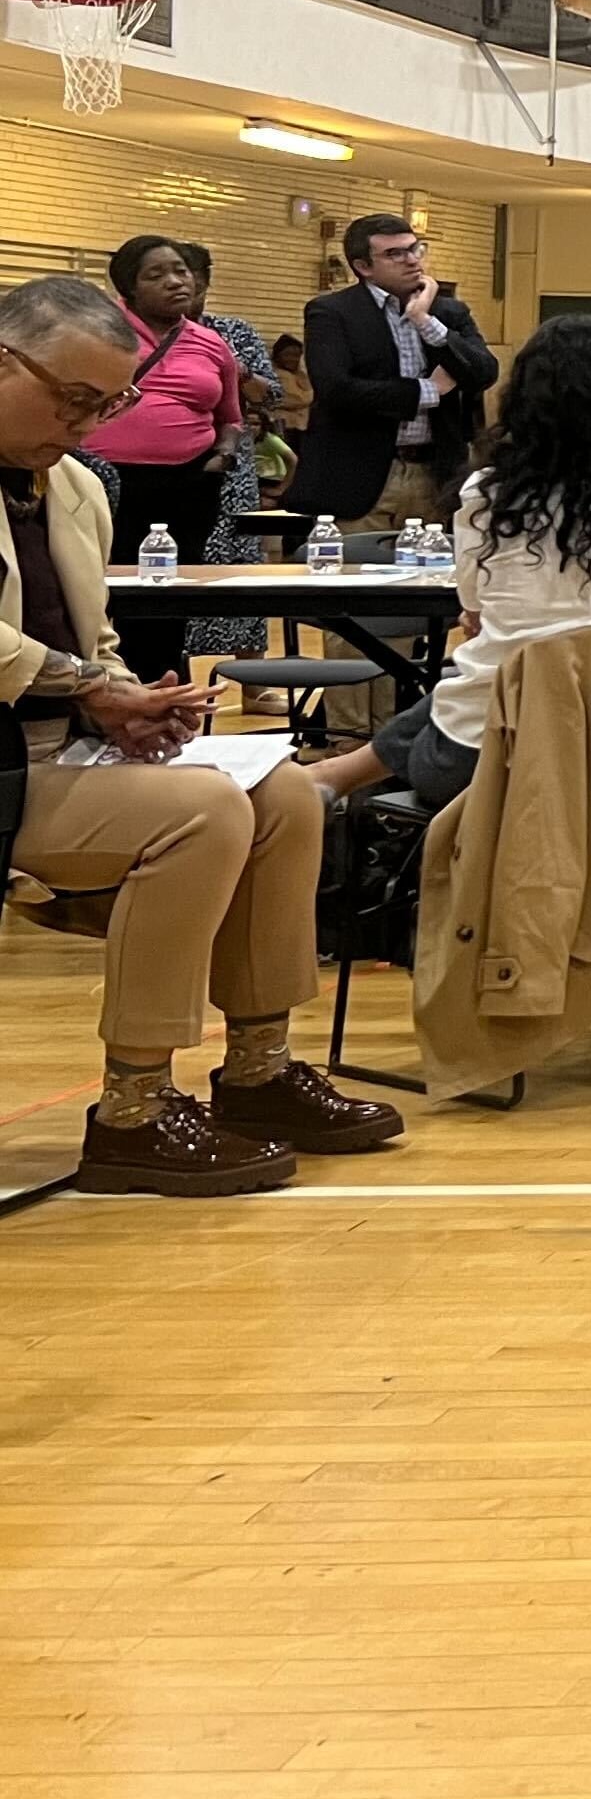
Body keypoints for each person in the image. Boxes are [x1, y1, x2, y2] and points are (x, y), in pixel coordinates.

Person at [0, 275, 388, 1197]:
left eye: (106, 406)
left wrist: (139, 701)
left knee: (285, 790)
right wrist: (92, 688)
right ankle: (132, 1107)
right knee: (199, 812)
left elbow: (94, 640)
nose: (86, 426)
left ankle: (257, 1067)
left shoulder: (76, 489)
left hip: (58, 747)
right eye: (71, 400)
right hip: (7, 763)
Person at [303, 315, 591, 812]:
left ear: (526, 409)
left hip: (494, 756)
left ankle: (336, 773)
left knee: (492, 674)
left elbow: (474, 614)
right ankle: (336, 773)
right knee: (516, 670)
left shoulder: (490, 503)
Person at [82, 236, 248, 679]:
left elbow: (231, 417)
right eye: (156, 275)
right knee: (93, 594)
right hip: (104, 482)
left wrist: (223, 458)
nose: (176, 281)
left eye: (180, 270)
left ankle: (161, 691)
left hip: (189, 484)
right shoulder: (98, 329)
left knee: (167, 598)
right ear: (129, 289)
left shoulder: (210, 343)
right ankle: (102, 691)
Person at [298, 212, 498, 545]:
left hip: (433, 472)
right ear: (363, 267)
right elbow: (337, 389)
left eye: (414, 249)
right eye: (395, 254)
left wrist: (424, 321)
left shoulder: (448, 312)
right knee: (356, 580)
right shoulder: (332, 312)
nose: (411, 261)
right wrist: (426, 392)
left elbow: (484, 372)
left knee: (428, 580)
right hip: (364, 475)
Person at [170, 241, 287, 678]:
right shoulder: (140, 333)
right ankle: (173, 677)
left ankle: (253, 680)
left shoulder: (233, 331)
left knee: (240, 568)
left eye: (192, 281)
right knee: (174, 565)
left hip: (231, 464)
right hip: (171, 464)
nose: (182, 289)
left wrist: (233, 368)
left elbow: (272, 394)